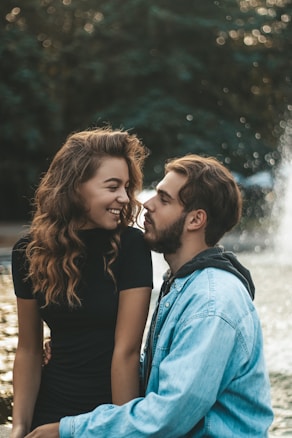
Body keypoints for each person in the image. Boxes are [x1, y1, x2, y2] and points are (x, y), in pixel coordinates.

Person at [24, 154, 274, 437]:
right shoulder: (184, 285)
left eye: (164, 199)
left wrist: (68, 430)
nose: (147, 204)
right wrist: (85, 350)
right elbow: (167, 376)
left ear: (195, 219)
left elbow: (167, 416)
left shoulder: (211, 303)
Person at [11, 127, 153, 438]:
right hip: (48, 408)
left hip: (107, 411)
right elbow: (29, 350)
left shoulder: (131, 246)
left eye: (127, 187)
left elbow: (126, 352)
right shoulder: (29, 251)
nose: (125, 198)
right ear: (75, 187)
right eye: (112, 187)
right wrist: (19, 427)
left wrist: (120, 428)